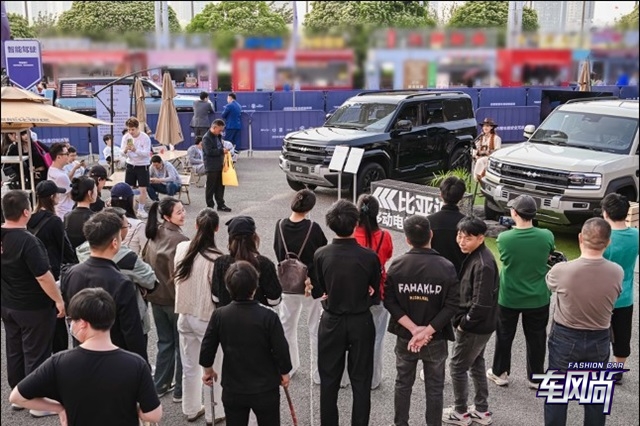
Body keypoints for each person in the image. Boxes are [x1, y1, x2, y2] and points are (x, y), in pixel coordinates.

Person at [9, 288, 162, 426]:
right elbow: (154, 415)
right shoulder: (136, 364)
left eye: (72, 320)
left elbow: (17, 397)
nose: (71, 325)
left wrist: (60, 408)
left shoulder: (59, 362)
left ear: (83, 323)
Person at [545, 218, 623, 426]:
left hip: (565, 337)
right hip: (599, 338)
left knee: (557, 394)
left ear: (580, 238)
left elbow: (550, 284)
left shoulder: (561, 270)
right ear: (608, 242)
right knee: (595, 397)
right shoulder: (617, 272)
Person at [384, 215, 459, 426]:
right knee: (435, 387)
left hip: (406, 336)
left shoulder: (397, 265)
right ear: (431, 235)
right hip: (435, 337)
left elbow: (389, 301)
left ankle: (400, 423)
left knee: (403, 383)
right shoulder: (446, 266)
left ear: (407, 239)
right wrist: (426, 331)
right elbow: (452, 305)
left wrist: (414, 329)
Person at [314, 199, 381, 426]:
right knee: (361, 381)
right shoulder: (369, 256)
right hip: (361, 321)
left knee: (329, 380)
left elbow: (320, 287)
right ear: (355, 223)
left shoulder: (321, 254)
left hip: (331, 320)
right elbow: (374, 291)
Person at [200, 261, 292, 426]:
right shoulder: (269, 316)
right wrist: (284, 372)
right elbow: (281, 348)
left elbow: (207, 348)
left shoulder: (220, 315)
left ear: (228, 287)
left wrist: (208, 370)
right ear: (255, 287)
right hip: (265, 386)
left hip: (233, 387)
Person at [1, 190, 65, 418]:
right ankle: (36, 401)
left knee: (15, 349)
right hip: (33, 306)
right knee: (36, 352)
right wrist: (58, 300)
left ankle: (18, 394)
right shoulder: (28, 241)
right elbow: (43, 276)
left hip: (8, 303)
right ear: (26, 212)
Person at [487, 195, 555, 389]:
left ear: (514, 213)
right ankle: (536, 377)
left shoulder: (504, 238)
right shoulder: (547, 235)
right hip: (538, 296)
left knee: (504, 335)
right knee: (537, 337)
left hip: (509, 296)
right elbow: (550, 254)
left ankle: (500, 372)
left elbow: (506, 259)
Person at [60, 210, 147, 362]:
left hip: (82, 351)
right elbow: (131, 330)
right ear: (115, 243)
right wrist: (141, 363)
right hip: (114, 356)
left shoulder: (71, 273)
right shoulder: (121, 282)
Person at [76, 207, 157, 352]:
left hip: (86, 329)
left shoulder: (79, 258)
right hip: (119, 330)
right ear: (116, 233)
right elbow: (151, 281)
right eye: (126, 226)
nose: (127, 229)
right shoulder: (126, 265)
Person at [443, 217, 499, 426]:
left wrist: (463, 323)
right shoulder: (477, 256)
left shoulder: (483, 264)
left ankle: (460, 412)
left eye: (467, 238)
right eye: (459, 236)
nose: (461, 241)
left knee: (457, 366)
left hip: (475, 326)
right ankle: (481, 410)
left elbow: (481, 303)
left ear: (481, 238)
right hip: (481, 325)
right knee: (476, 363)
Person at [174, 208, 226, 424]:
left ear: (196, 226)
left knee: (189, 365)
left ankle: (191, 408)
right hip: (206, 318)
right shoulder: (217, 258)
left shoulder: (182, 248)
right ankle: (216, 411)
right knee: (214, 366)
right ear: (217, 228)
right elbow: (218, 294)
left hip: (184, 313)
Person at [273, 189, 328, 380]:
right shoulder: (314, 228)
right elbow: (322, 254)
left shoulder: (280, 225)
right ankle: (318, 373)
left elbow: (277, 251)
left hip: (287, 282)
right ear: (310, 208)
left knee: (287, 326)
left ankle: (289, 367)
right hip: (311, 285)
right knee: (315, 328)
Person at [143, 197, 190, 402]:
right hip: (174, 299)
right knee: (181, 345)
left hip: (156, 297)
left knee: (164, 342)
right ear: (167, 216)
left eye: (183, 210)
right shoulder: (180, 240)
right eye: (179, 212)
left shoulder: (154, 233)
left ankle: (161, 384)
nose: (183, 214)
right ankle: (180, 389)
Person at [28, 181, 77, 354]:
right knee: (57, 322)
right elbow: (65, 249)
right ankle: (58, 358)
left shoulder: (29, 219)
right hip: (53, 274)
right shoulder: (54, 221)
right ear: (51, 197)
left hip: (33, 274)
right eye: (56, 194)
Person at [354, 194, 393, 390]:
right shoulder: (385, 236)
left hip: (354, 294)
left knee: (351, 339)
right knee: (376, 338)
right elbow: (387, 255)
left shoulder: (350, 235)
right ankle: (373, 379)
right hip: (378, 292)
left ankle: (348, 377)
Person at [601, 194, 639, 383]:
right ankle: (617, 371)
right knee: (622, 335)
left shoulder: (603, 237)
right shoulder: (636, 235)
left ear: (605, 213)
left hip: (602, 296)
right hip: (625, 296)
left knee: (598, 334)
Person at [212, 215, 282, 308]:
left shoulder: (220, 263)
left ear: (230, 239)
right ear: (254, 237)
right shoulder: (265, 264)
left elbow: (215, 298)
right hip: (258, 315)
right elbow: (274, 300)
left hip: (226, 315)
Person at [427, 176, 467, 273]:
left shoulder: (428, 221)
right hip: (459, 275)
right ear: (462, 196)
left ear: (441, 195)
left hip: (434, 274)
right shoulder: (467, 223)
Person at [120, 116, 151, 219]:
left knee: (143, 189)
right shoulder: (126, 137)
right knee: (128, 188)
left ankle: (141, 209)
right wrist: (125, 150)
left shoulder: (145, 137)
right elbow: (121, 153)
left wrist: (135, 150)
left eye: (132, 129)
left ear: (138, 128)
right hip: (130, 164)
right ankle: (129, 209)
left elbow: (147, 153)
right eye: (129, 129)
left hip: (142, 165)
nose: (131, 132)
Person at [109, 182, 147, 255]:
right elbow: (146, 251)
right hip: (130, 261)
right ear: (130, 200)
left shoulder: (105, 220)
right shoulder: (139, 225)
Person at [203, 119, 231, 212]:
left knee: (220, 186)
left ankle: (221, 204)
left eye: (222, 130)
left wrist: (223, 150)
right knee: (211, 187)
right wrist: (221, 151)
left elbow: (219, 147)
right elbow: (208, 152)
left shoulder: (218, 136)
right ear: (214, 128)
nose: (221, 132)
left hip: (220, 164)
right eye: (220, 130)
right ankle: (210, 206)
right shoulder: (206, 138)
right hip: (211, 166)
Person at [64, 176, 97, 249]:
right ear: (89, 193)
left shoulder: (67, 216)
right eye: (95, 190)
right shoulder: (94, 218)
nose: (96, 193)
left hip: (71, 255)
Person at [46, 142, 74, 220]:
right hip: (65, 212)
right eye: (67, 154)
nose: (68, 156)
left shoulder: (52, 169)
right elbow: (73, 195)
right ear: (58, 157)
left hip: (58, 210)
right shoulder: (61, 176)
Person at [473, 118, 501, 182]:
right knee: (479, 160)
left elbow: (497, 152)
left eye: (487, 126)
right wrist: (475, 155)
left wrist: (487, 153)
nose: (485, 127)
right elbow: (475, 148)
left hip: (490, 160)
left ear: (491, 127)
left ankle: (479, 177)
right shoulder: (480, 138)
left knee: (480, 161)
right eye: (484, 126)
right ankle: (479, 177)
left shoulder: (496, 138)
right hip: (480, 158)